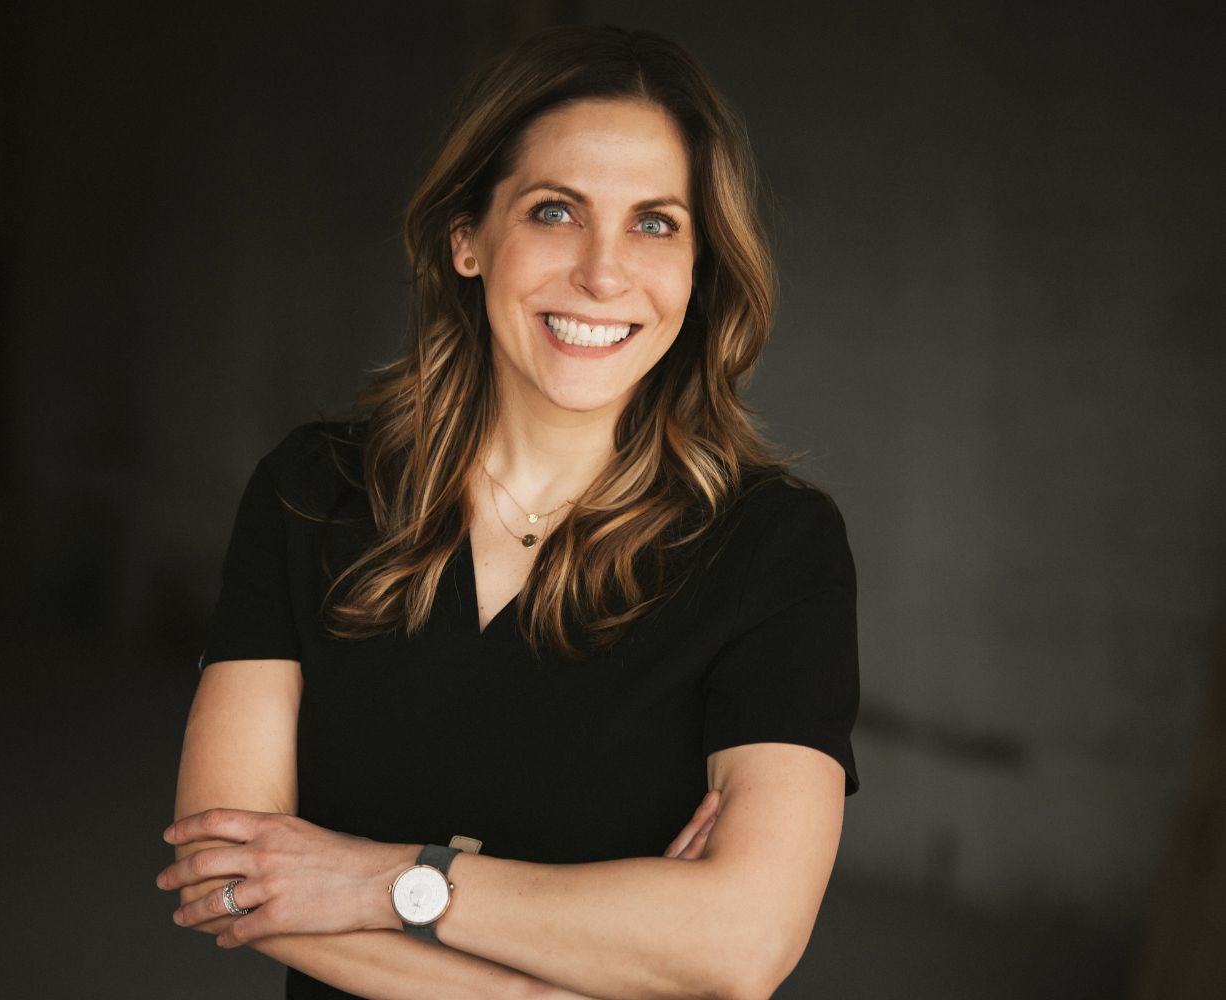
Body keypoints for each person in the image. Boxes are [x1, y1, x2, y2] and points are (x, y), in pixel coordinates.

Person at [156, 23, 859, 1000]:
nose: (604, 273)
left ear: (699, 268)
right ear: (467, 238)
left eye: (656, 222)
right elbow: (227, 877)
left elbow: (740, 941)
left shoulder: (774, 549)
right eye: (556, 211)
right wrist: (562, 982)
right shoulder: (313, 493)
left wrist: (374, 879)